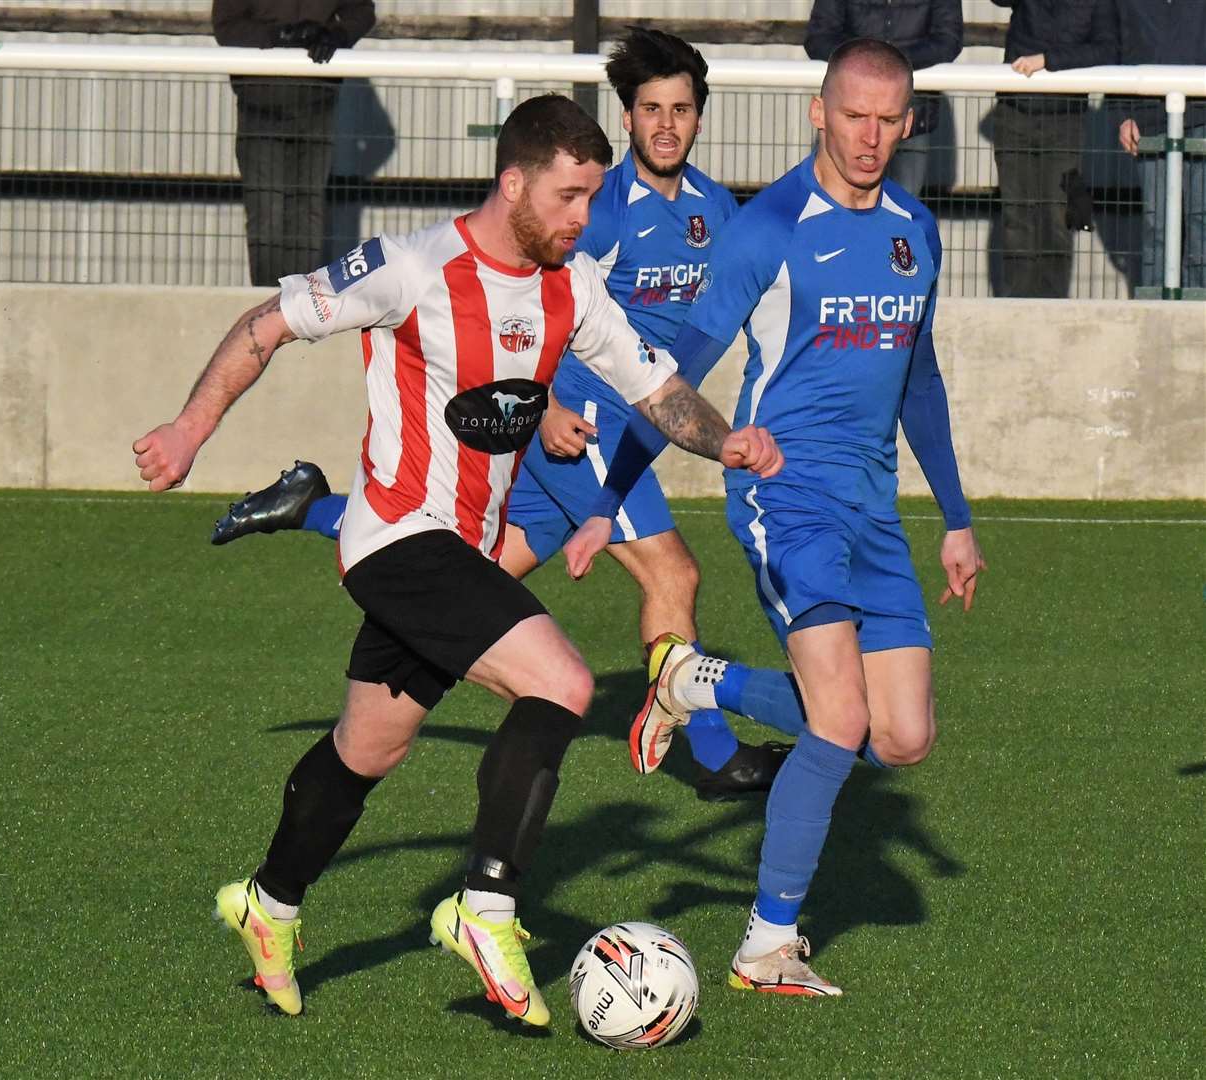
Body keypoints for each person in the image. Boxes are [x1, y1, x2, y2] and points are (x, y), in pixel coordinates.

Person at [131, 93, 781, 1023]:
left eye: (592, 200)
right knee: (558, 682)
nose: (581, 220)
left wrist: (727, 444)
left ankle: (267, 906)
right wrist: (191, 429)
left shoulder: (571, 287)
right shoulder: (409, 267)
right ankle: (486, 906)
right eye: (566, 198)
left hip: (467, 550)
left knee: (367, 748)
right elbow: (264, 324)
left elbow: (661, 389)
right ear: (511, 181)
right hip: (397, 539)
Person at [209, 28, 794, 800]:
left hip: (642, 417)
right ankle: (716, 755)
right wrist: (547, 404)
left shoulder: (715, 209)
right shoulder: (597, 209)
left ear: (698, 116)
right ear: (625, 118)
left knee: (487, 567)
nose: (665, 124)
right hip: (586, 422)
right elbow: (527, 305)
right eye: (650, 108)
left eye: (680, 109)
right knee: (671, 570)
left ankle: (314, 507)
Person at [564, 39, 985, 996]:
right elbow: (672, 384)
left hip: (871, 509)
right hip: (783, 497)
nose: (869, 137)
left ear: (909, 123)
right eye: (853, 117)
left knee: (900, 736)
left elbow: (918, 376)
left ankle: (693, 680)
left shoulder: (915, 229)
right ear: (818, 114)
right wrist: (603, 504)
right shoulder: (768, 229)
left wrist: (955, 518)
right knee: (837, 720)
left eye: (888, 120)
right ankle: (766, 946)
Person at [212, 0, 376, 285]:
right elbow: (227, 26)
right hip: (260, 102)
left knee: (307, 208)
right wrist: (281, 36)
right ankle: (266, 303)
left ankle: (300, 303)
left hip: (317, 100)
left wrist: (336, 36)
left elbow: (361, 11)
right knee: (266, 209)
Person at [989, 0, 1119, 297]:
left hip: (1065, 118)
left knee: (1056, 219)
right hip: (1015, 112)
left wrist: (1048, 59)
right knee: (1016, 219)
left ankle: (1052, 310)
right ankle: (1018, 310)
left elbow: (1108, 49)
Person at [804, 0, 963, 196]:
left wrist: (890, 64)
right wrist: (868, 63)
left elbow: (948, 41)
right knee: (831, 203)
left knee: (901, 210)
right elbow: (819, 37)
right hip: (848, 116)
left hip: (909, 113)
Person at [1114, 0, 1206, 292]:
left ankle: (1198, 310)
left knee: (1200, 222)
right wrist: (1123, 114)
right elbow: (1115, 51)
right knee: (1157, 226)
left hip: (1203, 116)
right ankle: (1155, 310)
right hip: (1149, 120)